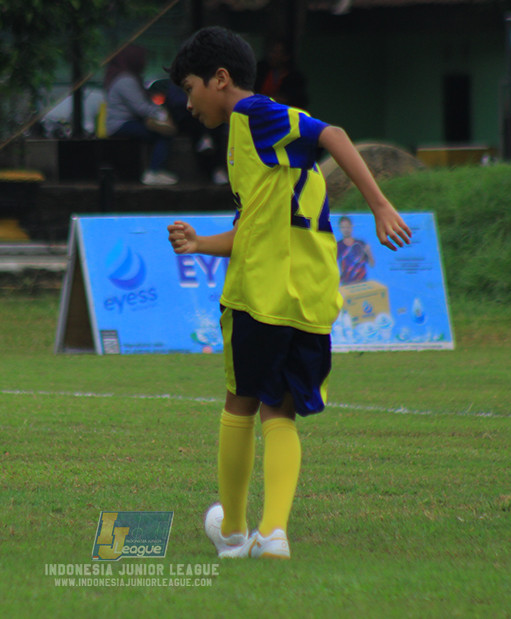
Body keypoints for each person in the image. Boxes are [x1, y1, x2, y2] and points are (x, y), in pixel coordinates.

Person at [166, 27, 410, 560]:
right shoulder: (272, 153)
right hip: (310, 299)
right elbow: (260, 228)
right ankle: (273, 534)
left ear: (221, 79)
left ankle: (232, 532)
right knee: (280, 412)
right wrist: (202, 243)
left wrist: (380, 204)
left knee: (240, 402)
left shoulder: (255, 114)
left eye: (190, 88)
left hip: (261, 295)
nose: (187, 103)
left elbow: (336, 134)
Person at [104, 44, 178, 186]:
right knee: (162, 134)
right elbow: (141, 107)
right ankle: (154, 171)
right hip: (121, 125)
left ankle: (156, 169)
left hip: (126, 122)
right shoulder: (125, 80)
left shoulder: (127, 77)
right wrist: (161, 114)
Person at [255, 38, 309, 109]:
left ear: (286, 57)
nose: (272, 56)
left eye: (276, 53)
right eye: (271, 52)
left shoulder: (295, 79)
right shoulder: (261, 70)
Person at [337, 215, 376, 284]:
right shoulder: (338, 246)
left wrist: (369, 253)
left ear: (351, 227)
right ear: (340, 229)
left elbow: (372, 264)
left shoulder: (361, 243)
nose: (346, 229)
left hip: (362, 283)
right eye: (343, 227)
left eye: (348, 227)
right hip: (346, 284)